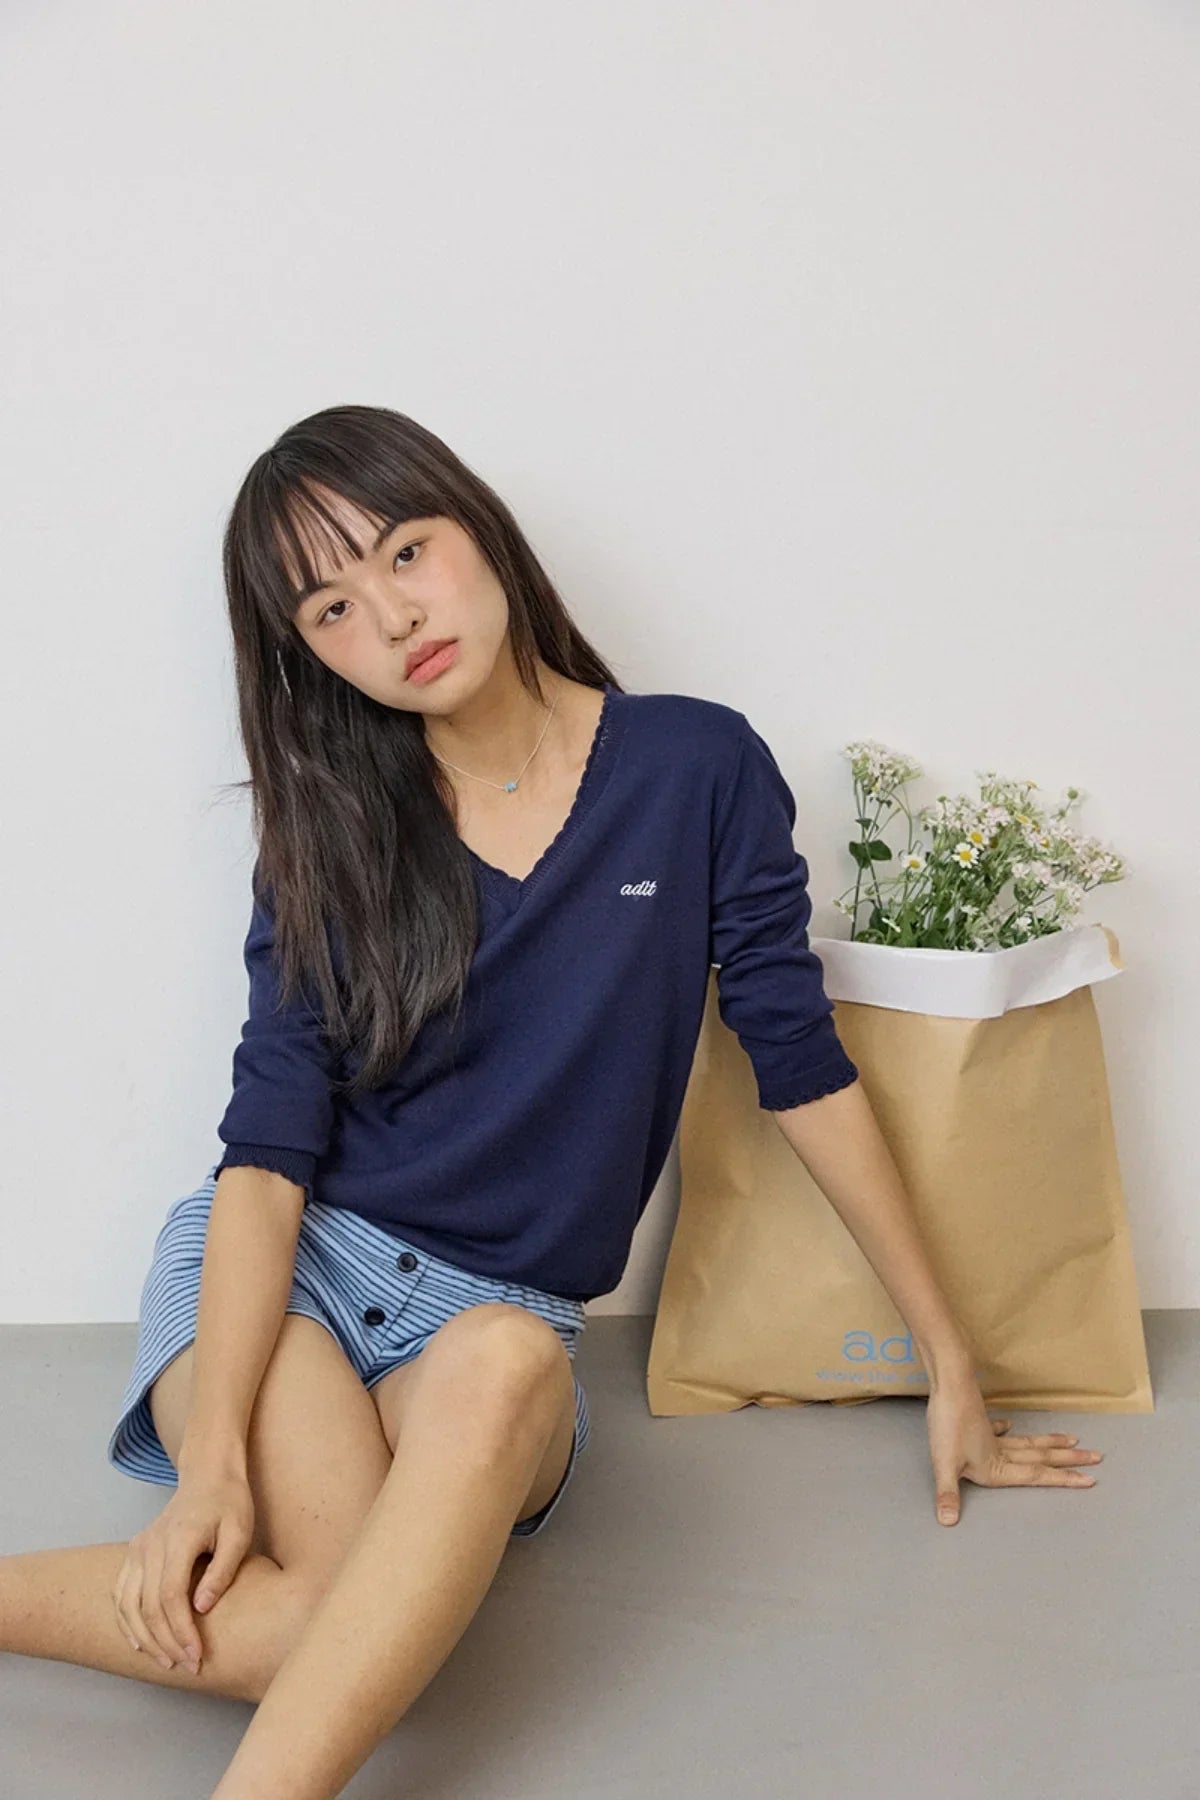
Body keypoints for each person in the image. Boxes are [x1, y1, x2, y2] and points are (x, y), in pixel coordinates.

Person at [2, 403, 865, 1796]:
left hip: (493, 1328)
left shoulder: (695, 768)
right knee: (329, 1633)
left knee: (506, 1373)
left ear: (478, 526)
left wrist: (951, 1361)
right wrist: (213, 1461)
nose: (392, 617)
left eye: (405, 550)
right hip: (293, 1279)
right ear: (308, 656)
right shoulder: (332, 831)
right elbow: (268, 1162)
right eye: (333, 606)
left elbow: (800, 1060)